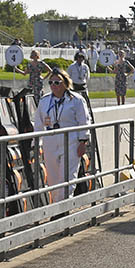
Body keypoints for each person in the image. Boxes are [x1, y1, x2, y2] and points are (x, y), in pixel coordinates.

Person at [32, 69, 90, 203]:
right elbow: (38, 124)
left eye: (57, 82)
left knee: (68, 177)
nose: (53, 85)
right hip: (50, 140)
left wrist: (83, 142)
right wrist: (36, 144)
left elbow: (84, 121)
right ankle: (57, 204)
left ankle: (63, 208)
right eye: (51, 82)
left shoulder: (76, 100)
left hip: (70, 140)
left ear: (65, 83)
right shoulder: (45, 101)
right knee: (53, 177)